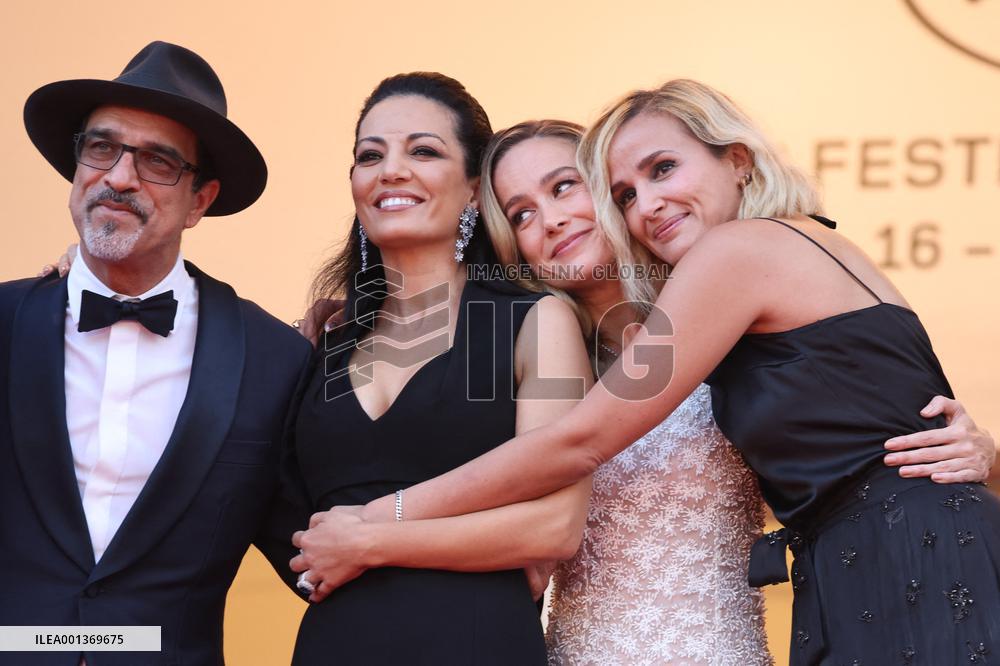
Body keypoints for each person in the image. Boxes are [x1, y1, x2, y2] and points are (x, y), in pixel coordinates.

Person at [303, 80, 999, 665]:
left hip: (754, 630)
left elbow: (580, 444)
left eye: (567, 187)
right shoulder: (525, 353)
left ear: (735, 161)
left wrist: (981, 451)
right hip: (593, 641)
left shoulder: (728, 289)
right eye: (520, 211)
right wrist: (384, 316)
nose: (549, 219)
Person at [0, 42, 311, 666]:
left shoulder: (275, 360)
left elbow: (312, 552)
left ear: (201, 200)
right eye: (101, 147)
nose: (118, 176)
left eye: (158, 161)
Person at [287, 72, 594, 665]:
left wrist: (370, 541)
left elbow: (555, 528)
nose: (390, 170)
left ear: (475, 190)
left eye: (422, 151)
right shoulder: (320, 343)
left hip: (475, 641)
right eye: (369, 156)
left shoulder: (536, 321)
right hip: (335, 646)